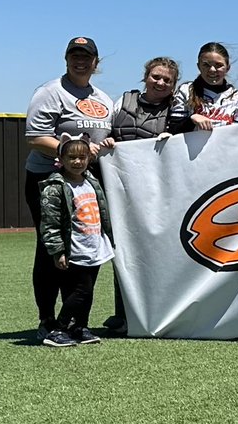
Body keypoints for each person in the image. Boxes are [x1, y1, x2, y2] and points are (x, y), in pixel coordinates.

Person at [24, 37, 114, 344]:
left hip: (86, 182)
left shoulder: (104, 98)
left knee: (88, 243)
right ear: (66, 59)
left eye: (86, 56)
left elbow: (106, 138)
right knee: (53, 248)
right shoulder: (50, 92)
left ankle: (76, 321)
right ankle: (48, 321)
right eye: (74, 55)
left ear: (95, 63)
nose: (80, 61)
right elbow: (36, 137)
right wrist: (74, 151)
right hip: (50, 180)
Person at [103, 56, 181, 334]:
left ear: (174, 85)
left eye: (167, 80)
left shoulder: (176, 109)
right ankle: (123, 312)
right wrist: (107, 139)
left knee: (157, 252)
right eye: (155, 77)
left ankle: (157, 310)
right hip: (120, 188)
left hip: (155, 192)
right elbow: (104, 131)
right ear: (145, 77)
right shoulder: (122, 101)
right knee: (121, 250)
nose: (160, 83)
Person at [37, 133, 117, 347]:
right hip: (75, 248)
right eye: (71, 158)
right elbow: (50, 223)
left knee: (88, 292)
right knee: (81, 290)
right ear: (61, 160)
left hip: (94, 246)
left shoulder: (91, 181)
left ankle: (79, 326)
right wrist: (58, 251)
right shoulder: (54, 187)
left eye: (82, 157)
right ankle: (57, 329)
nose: (77, 162)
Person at [172, 42, 238, 130]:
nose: (212, 70)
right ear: (198, 66)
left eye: (219, 65)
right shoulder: (186, 90)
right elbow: (173, 129)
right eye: (206, 65)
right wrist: (192, 119)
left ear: (228, 68)